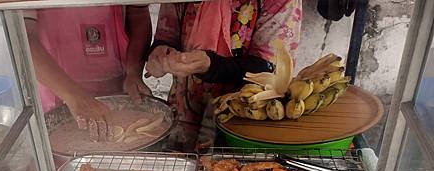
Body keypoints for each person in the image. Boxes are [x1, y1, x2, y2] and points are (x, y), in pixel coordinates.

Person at [145, 0, 302, 145]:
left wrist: (211, 65)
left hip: (244, 125)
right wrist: (159, 54)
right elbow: (166, 36)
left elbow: (271, 71)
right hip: (184, 118)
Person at [24, 6, 152, 141]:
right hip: (58, 90)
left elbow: (138, 15)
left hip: (120, 84)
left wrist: (133, 72)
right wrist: (74, 96)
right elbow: (25, 38)